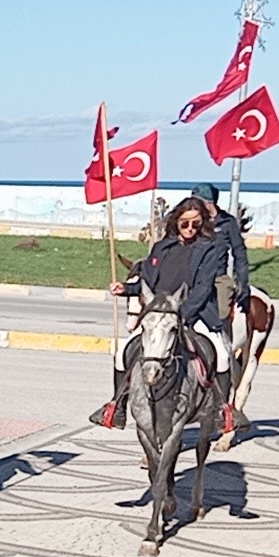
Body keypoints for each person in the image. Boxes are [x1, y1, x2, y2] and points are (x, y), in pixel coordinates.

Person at [90, 197, 238, 430]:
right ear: (176, 222)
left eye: (196, 224)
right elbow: (147, 283)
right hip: (158, 315)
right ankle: (117, 406)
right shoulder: (161, 248)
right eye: (185, 224)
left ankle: (224, 411)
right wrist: (126, 289)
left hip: (194, 314)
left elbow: (203, 287)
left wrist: (181, 315)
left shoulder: (211, 248)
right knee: (121, 353)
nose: (190, 229)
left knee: (221, 355)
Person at [193, 182, 251, 324]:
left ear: (207, 203)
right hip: (193, 276)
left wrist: (242, 281)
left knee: (221, 313)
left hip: (218, 277)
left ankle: (223, 340)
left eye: (196, 202)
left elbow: (239, 252)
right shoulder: (194, 221)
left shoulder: (227, 222)